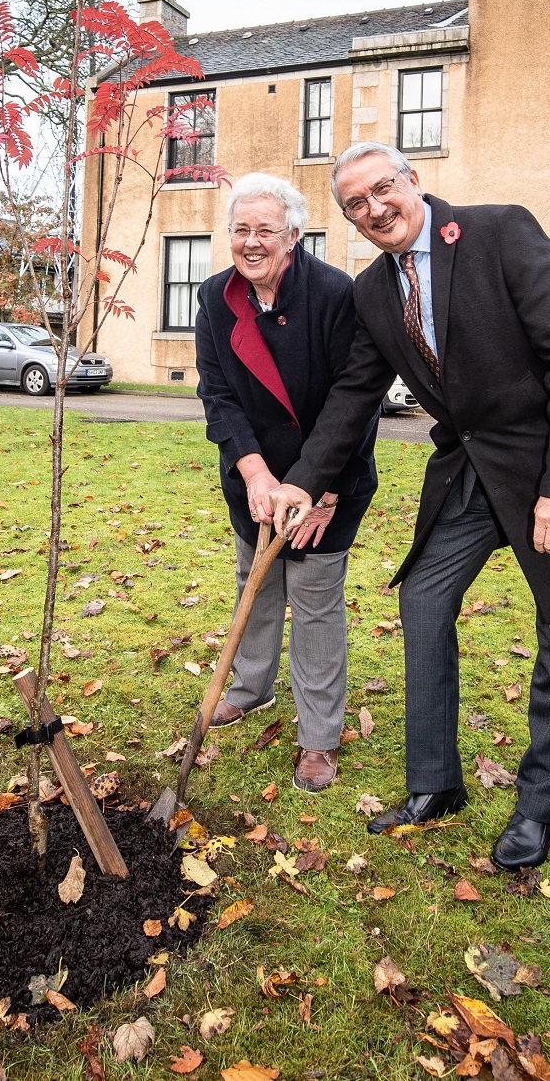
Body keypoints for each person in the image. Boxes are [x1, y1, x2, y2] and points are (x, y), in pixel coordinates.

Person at [271, 142, 550, 864]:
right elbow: (355, 393)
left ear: (412, 181)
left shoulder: (499, 232)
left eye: (382, 188)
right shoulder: (372, 289)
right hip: (472, 468)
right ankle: (435, 785)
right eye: (354, 203)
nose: (373, 208)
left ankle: (541, 808)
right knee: (422, 596)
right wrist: (302, 478)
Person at [195, 172, 379, 793]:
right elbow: (217, 393)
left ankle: (320, 737)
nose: (251, 243)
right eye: (240, 230)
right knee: (257, 581)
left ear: (294, 236)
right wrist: (253, 472)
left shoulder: (334, 294)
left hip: (327, 477)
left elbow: (353, 402)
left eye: (265, 231)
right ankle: (250, 689)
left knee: (316, 598)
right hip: (256, 476)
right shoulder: (216, 296)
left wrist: (319, 488)